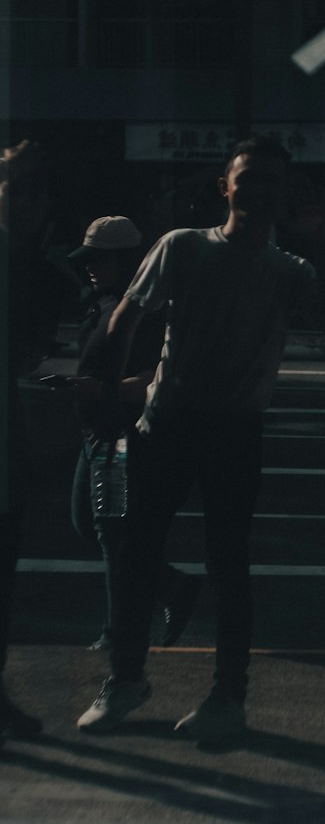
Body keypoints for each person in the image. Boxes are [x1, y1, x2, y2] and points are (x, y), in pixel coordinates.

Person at [76, 135, 325, 743]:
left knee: (229, 566)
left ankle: (228, 697)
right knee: (134, 554)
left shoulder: (289, 269)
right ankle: (125, 680)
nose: (257, 189)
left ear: (284, 193)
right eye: (247, 177)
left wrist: (319, 241)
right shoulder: (183, 247)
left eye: (271, 181)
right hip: (166, 422)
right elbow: (126, 315)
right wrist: (117, 409)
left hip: (236, 429)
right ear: (225, 186)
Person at [65, 215, 200, 652]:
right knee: (91, 523)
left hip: (118, 436)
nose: (90, 267)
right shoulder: (102, 302)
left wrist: (99, 390)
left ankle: (117, 629)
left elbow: (150, 378)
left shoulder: (141, 310)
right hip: (98, 432)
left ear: (123, 262)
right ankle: (167, 586)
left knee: (109, 531)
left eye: (98, 260)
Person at [1, 140, 67, 745]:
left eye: (35, 190)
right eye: (14, 187)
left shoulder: (39, 271)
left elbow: (29, 354)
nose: (24, 202)